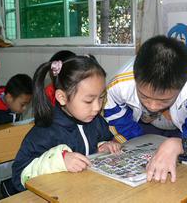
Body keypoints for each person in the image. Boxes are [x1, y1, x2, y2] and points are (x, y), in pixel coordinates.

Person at [104, 35, 187, 183]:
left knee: (184, 175)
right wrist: (135, 143)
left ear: (182, 85)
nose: (152, 106)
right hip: (141, 124)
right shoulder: (118, 84)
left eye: (164, 100)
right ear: (135, 77)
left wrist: (180, 145)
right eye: (144, 96)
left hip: (185, 127)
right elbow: (117, 120)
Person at [12, 55, 121, 192]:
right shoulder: (45, 131)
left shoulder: (96, 121)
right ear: (62, 97)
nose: (97, 107)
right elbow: (19, 176)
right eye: (88, 101)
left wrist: (103, 147)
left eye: (101, 98)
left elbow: (96, 142)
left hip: (84, 191)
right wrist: (60, 161)